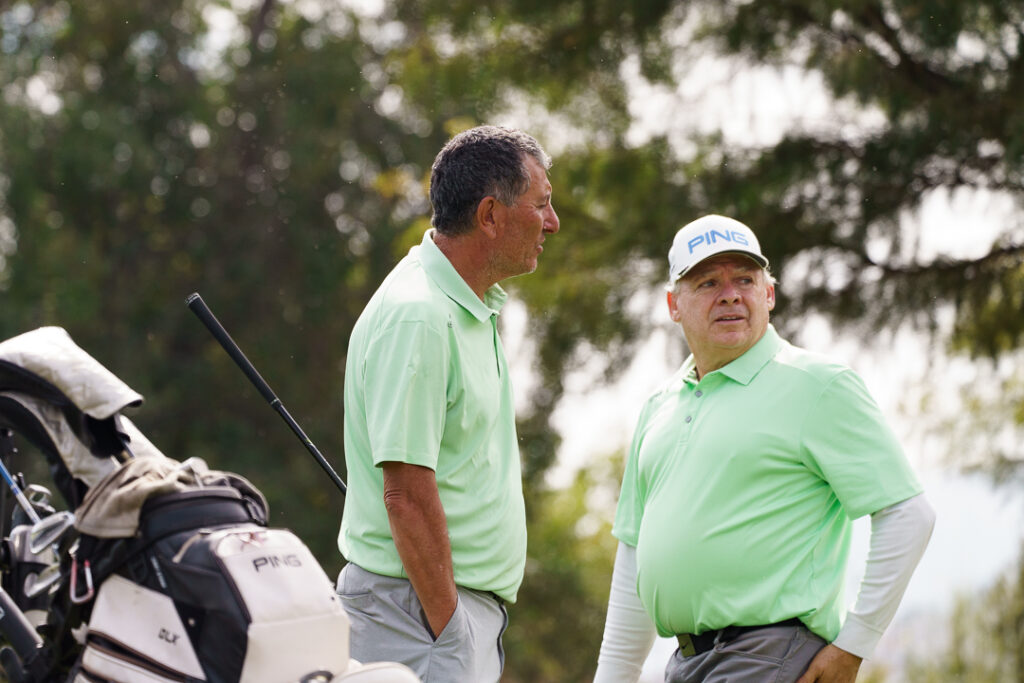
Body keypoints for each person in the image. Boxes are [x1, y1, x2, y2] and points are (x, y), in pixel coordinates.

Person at [594, 214, 936, 683]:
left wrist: (853, 646)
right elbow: (635, 557)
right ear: (674, 304)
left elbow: (908, 514)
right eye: (708, 282)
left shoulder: (818, 385)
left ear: (769, 294)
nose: (730, 294)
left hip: (771, 655)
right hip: (687, 663)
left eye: (745, 279)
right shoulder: (659, 406)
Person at [337, 125, 559, 683]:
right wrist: (450, 626)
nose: (552, 222)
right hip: (417, 621)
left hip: (433, 619)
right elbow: (405, 496)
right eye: (541, 205)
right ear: (490, 216)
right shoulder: (419, 315)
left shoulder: (465, 306)